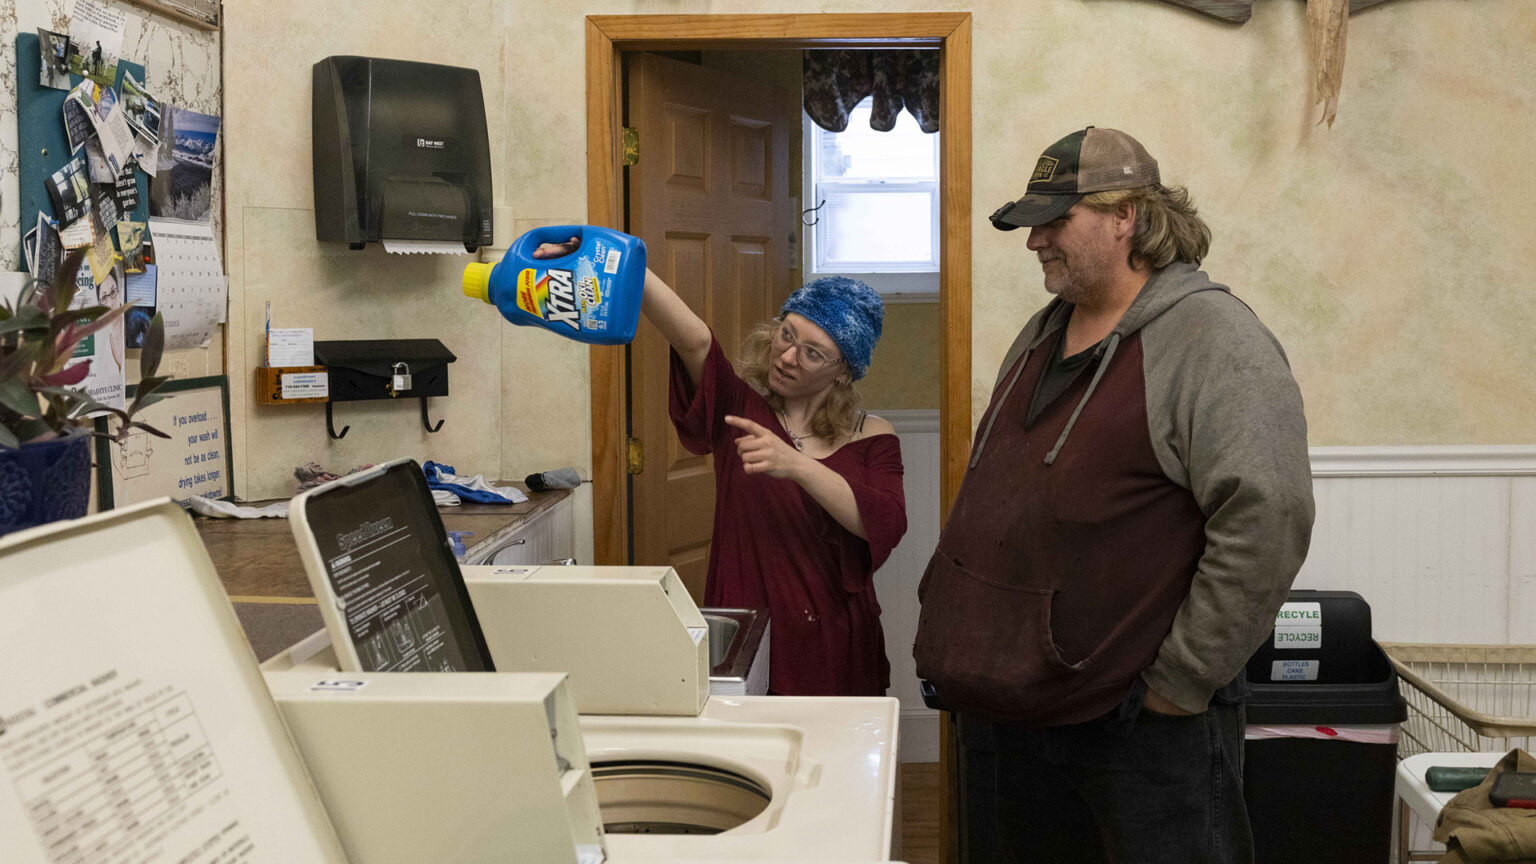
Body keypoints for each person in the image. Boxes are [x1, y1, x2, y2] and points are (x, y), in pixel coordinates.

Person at [913, 127, 1315, 863]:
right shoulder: (1043, 331)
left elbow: (1269, 512)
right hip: (1011, 717)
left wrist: (1179, 683)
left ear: (1125, 215)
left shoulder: (1212, 338)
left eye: (1054, 221)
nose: (1035, 240)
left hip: (1136, 732)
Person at [534, 239, 908, 696]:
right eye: (787, 334)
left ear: (843, 371)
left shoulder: (873, 435)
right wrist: (614, 256)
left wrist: (796, 465)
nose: (787, 356)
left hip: (834, 644)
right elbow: (694, 339)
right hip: (748, 633)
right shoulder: (740, 408)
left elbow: (884, 521)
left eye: (812, 352)